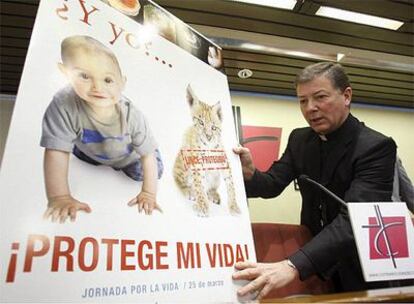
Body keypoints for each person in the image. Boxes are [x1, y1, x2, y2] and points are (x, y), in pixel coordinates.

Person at [232, 62, 404, 299]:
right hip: (314, 259)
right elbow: (272, 184)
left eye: (320, 97)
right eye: (302, 101)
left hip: (359, 264)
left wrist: (292, 265)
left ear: (346, 96)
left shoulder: (376, 146)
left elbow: (355, 218)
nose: (310, 108)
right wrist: (251, 174)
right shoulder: (299, 139)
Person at [41, 35, 163, 223]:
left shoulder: (131, 115)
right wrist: (59, 197)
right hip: (91, 149)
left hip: (128, 156)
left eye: (107, 80)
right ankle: (98, 157)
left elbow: (147, 156)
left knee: (150, 169)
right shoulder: (63, 104)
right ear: (65, 73)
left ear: (122, 83)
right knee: (68, 147)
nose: (98, 87)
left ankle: (145, 144)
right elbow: (56, 151)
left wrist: (148, 193)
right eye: (84, 76)